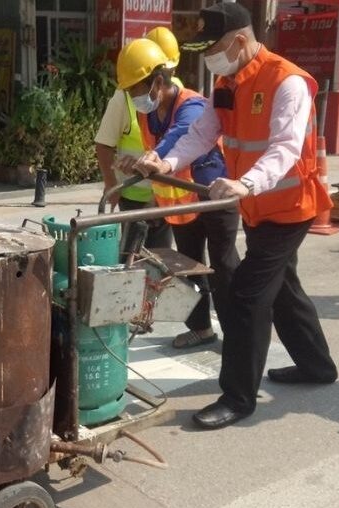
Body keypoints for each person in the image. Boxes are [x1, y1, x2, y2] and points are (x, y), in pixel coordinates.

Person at [132, 3, 337, 429]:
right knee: (283, 289)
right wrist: (166, 163)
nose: (210, 59)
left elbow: (284, 147)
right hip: (259, 209)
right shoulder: (229, 81)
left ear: (241, 41)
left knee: (245, 296)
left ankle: (238, 398)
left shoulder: (287, 82)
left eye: (216, 48)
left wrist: (246, 183)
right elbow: (202, 134)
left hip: (289, 209)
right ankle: (317, 366)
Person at [113, 37, 241, 350]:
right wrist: (138, 164)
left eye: (136, 90)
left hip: (215, 199)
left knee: (224, 268)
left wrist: (153, 158)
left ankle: (239, 332)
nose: (134, 98)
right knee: (187, 269)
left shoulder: (192, 106)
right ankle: (201, 329)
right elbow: (154, 154)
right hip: (181, 206)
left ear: (158, 81)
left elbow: (176, 138)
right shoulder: (149, 113)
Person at [94, 27, 187, 250]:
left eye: (170, 72)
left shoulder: (180, 93)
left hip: (167, 194)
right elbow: (104, 144)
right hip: (133, 194)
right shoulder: (126, 98)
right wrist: (111, 184)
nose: (166, 81)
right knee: (131, 256)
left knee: (162, 257)